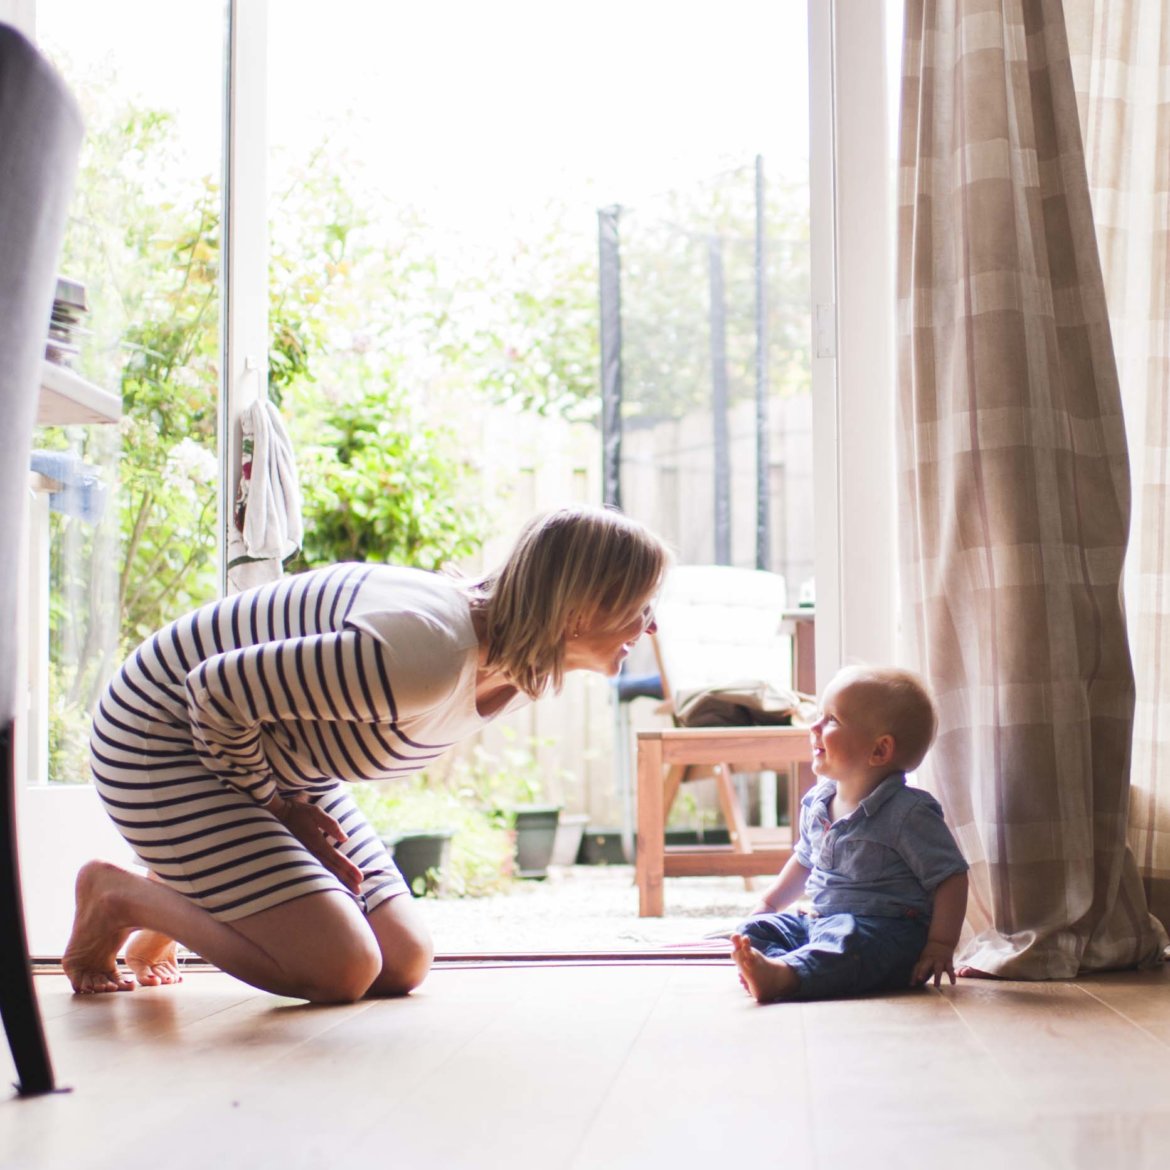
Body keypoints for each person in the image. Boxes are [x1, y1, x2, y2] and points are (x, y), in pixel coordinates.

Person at [64, 505, 669, 1002]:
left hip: (271, 753)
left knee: (402, 960)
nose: (650, 628)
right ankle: (121, 897)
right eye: (640, 607)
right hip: (158, 737)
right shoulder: (425, 655)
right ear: (578, 610)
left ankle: (184, 881)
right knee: (339, 968)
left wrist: (283, 798)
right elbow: (214, 689)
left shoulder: (519, 667)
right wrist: (276, 806)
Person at [730, 664, 969, 1004]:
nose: (814, 726)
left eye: (832, 720)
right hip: (822, 922)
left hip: (884, 934)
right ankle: (783, 967)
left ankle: (785, 977)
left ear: (879, 751)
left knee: (849, 943)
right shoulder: (817, 801)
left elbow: (951, 877)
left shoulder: (908, 813)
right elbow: (804, 861)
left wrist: (940, 945)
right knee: (754, 931)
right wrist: (767, 906)